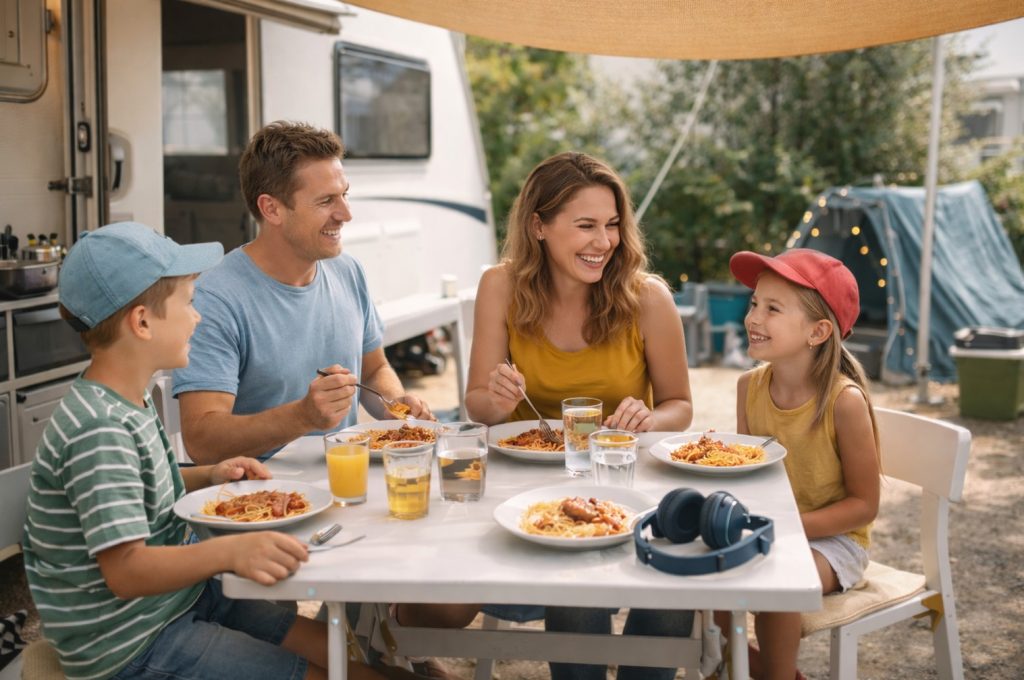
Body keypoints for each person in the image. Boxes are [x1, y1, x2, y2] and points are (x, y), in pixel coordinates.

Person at [21, 222, 399, 680]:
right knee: (335, 672)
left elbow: (140, 486)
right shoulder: (99, 428)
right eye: (188, 303)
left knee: (345, 651)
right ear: (141, 322)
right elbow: (126, 570)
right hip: (133, 642)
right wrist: (230, 555)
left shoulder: (126, 399)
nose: (197, 318)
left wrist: (211, 475)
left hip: (180, 600)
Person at [459, 151, 695, 680]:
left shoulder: (647, 297)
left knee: (674, 580)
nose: (604, 242)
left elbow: (680, 405)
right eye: (585, 225)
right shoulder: (500, 285)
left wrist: (648, 419)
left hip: (624, 479)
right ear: (538, 226)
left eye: (612, 225)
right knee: (574, 569)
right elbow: (477, 402)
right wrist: (495, 400)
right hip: (529, 487)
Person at [173, 121, 432, 464]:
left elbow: (373, 369)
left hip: (346, 490)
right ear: (272, 209)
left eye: (345, 195)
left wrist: (397, 406)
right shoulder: (216, 299)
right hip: (256, 504)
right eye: (326, 201)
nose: (346, 214)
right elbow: (202, 442)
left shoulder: (348, 271)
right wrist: (302, 417)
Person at [726, 248, 880, 680]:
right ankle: (733, 665)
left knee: (778, 579)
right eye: (755, 303)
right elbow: (749, 471)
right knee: (709, 576)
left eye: (773, 308)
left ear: (818, 331)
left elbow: (864, 507)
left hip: (834, 541)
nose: (754, 317)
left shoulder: (844, 402)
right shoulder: (748, 387)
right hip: (770, 526)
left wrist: (787, 527)